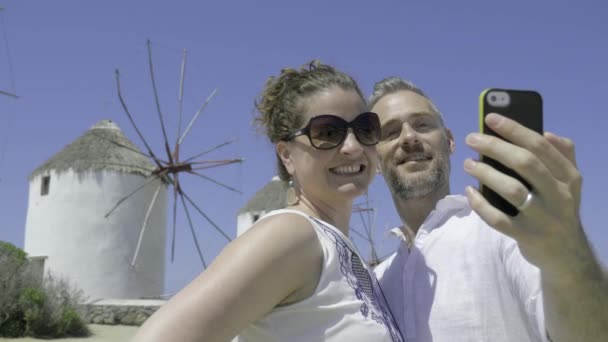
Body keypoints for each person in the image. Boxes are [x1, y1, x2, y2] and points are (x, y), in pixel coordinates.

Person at [130, 61, 404, 342]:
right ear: (286, 155)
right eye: (327, 133)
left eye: (365, 128)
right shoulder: (291, 235)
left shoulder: (336, 250)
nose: (353, 146)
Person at [369, 77, 608, 342]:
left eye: (422, 125)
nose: (409, 137)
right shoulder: (375, 283)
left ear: (449, 141)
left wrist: (568, 257)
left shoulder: (506, 230)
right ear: (374, 162)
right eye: (390, 132)